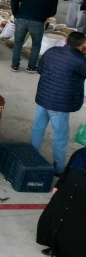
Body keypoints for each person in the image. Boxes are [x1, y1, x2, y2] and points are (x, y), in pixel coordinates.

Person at [31, 32, 86, 173]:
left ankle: (30, 157)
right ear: (83, 46)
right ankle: (59, 169)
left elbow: (40, 69)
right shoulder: (80, 60)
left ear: (66, 41)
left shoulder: (51, 51)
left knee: (38, 128)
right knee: (61, 137)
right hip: (60, 104)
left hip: (43, 97)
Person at [37, 145, 86, 257]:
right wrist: (59, 185)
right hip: (67, 192)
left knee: (78, 230)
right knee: (59, 221)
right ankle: (56, 247)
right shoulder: (80, 154)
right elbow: (67, 171)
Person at [11, 0, 60, 72]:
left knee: (18, 42)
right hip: (37, 21)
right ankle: (31, 67)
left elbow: (14, 0)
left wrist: (16, 13)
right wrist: (43, 16)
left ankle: (14, 65)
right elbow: (52, 12)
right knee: (36, 45)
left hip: (21, 18)